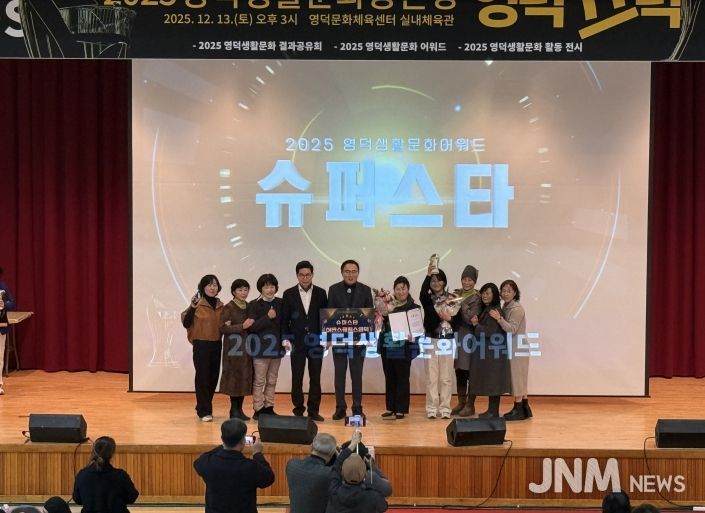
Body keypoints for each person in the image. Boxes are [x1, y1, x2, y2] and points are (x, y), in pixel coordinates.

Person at [194, 418, 275, 513]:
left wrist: (223, 445)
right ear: (242, 441)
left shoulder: (208, 462)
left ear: (222, 438)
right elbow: (268, 478)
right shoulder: (250, 467)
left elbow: (198, 462)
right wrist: (257, 453)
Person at [281, 261, 328, 421]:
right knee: (297, 377)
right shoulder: (289, 293)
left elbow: (325, 318)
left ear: (312, 275)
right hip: (297, 341)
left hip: (316, 341)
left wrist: (326, 337)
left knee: (315, 377)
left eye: (308, 275)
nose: (305, 278)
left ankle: (313, 410)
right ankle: (298, 409)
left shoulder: (321, 293)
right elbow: (284, 319)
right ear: (297, 275)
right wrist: (285, 338)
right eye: (301, 275)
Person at [327, 260, 373, 421]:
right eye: (347, 271)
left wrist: (368, 336)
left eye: (354, 271)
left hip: (358, 341)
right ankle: (340, 408)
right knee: (339, 374)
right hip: (339, 339)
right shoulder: (333, 289)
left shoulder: (365, 290)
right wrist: (329, 337)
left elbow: (369, 315)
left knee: (357, 375)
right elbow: (330, 314)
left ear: (358, 273)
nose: (350, 274)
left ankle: (357, 408)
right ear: (342, 273)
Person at [181, 275, 224, 422]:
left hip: (216, 344)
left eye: (215, 285)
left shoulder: (220, 305)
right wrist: (193, 307)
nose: (212, 288)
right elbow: (186, 323)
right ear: (203, 287)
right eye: (209, 285)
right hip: (201, 344)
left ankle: (202, 405)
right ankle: (204, 411)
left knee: (213, 378)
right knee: (203, 377)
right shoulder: (197, 303)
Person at [377, 276, 420, 420]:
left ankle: (401, 409)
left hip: (404, 347)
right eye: (398, 289)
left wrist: (413, 335)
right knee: (389, 377)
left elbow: (417, 329)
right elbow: (381, 324)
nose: (401, 291)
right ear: (394, 290)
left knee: (402, 377)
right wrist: (381, 316)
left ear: (408, 289)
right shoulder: (387, 306)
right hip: (388, 345)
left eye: (403, 288)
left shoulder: (414, 308)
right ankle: (390, 408)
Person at [246, 273, 286, 420]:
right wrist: (267, 317)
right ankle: (258, 408)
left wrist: (285, 340)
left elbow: (284, 324)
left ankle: (269, 406)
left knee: (272, 380)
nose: (270, 290)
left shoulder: (281, 303)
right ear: (260, 289)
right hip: (260, 349)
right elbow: (252, 327)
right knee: (259, 381)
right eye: (266, 287)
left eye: (272, 286)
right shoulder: (254, 304)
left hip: (276, 349)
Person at [468, 283, 511, 418]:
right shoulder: (489, 309)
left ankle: (493, 412)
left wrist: (476, 325)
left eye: (487, 293)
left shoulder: (493, 311)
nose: (484, 296)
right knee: (493, 382)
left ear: (494, 295)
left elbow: (489, 331)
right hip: (491, 353)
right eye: (483, 293)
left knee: (493, 382)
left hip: (492, 354)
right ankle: (492, 411)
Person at [490, 279, 531, 421]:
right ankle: (525, 408)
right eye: (503, 291)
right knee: (520, 378)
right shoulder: (507, 306)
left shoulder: (516, 309)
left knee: (518, 379)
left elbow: (512, 329)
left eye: (509, 291)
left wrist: (499, 318)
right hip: (514, 347)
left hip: (518, 347)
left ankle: (518, 409)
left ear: (515, 293)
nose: (506, 293)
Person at [419, 266, 455, 419]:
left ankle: (445, 408)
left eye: (439, 280)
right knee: (431, 376)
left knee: (446, 377)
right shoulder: (427, 298)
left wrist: (450, 318)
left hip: (447, 339)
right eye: (433, 280)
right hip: (430, 338)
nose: (436, 283)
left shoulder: (452, 298)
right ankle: (431, 408)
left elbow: (457, 319)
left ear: (444, 282)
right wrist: (428, 275)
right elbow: (422, 292)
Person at [326, 429, 388, 513]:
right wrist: (372, 466)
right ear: (365, 474)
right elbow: (384, 502)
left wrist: (352, 445)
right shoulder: (373, 497)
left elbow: (337, 465)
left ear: (342, 473)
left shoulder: (334, 491)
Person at [72, 436, 139, 513]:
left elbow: (77, 499)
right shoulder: (121, 476)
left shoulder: (82, 475)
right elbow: (132, 497)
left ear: (93, 451)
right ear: (112, 454)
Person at [220, 279, 255, 421]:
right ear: (233, 291)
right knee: (234, 378)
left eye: (246, 290)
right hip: (233, 349)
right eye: (240, 290)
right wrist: (242, 326)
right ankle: (234, 410)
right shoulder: (228, 307)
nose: (243, 293)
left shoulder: (249, 306)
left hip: (246, 348)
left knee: (244, 377)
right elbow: (223, 328)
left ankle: (239, 410)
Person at [452, 265, 482, 417]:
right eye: (464, 279)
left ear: (475, 282)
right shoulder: (456, 293)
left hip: (469, 338)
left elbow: (470, 319)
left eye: (470, 280)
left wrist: (461, 302)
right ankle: (461, 402)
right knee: (459, 371)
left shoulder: (477, 298)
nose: (466, 282)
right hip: (457, 336)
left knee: (470, 371)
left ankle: (470, 405)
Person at [285, 433, 338, 513]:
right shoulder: (329, 474)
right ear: (332, 453)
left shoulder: (292, 465)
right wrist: (338, 456)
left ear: (311, 447)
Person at [0, 266, 16, 396]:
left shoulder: (3, 287)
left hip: (1, 326)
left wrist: (4, 305)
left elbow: (12, 303)